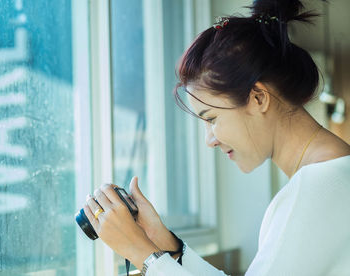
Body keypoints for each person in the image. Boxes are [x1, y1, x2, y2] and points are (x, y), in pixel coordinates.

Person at [82, 0, 350, 275]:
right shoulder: (332, 177)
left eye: (211, 119)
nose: (209, 140)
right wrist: (164, 244)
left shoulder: (315, 190)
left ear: (258, 98)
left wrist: (141, 252)